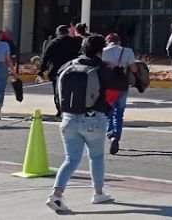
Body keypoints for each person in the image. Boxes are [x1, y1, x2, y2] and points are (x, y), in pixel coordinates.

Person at [46, 34, 129, 213]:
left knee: (71, 159)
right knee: (96, 156)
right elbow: (122, 84)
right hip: (93, 119)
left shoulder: (67, 66)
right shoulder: (100, 68)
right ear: (100, 51)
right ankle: (98, 193)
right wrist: (117, 69)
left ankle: (56, 194)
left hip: (68, 118)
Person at [101, 33, 139, 156]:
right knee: (119, 113)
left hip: (108, 86)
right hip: (122, 85)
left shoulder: (103, 51)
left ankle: (110, 133)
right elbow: (134, 69)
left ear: (108, 41)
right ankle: (116, 137)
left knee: (108, 111)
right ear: (119, 42)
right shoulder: (127, 51)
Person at [40, 25, 83, 118]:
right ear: (67, 32)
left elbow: (46, 57)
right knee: (71, 90)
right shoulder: (75, 42)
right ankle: (70, 109)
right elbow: (80, 55)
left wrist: (41, 71)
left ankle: (60, 110)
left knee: (57, 91)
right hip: (72, 69)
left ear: (57, 33)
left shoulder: (53, 43)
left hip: (56, 71)